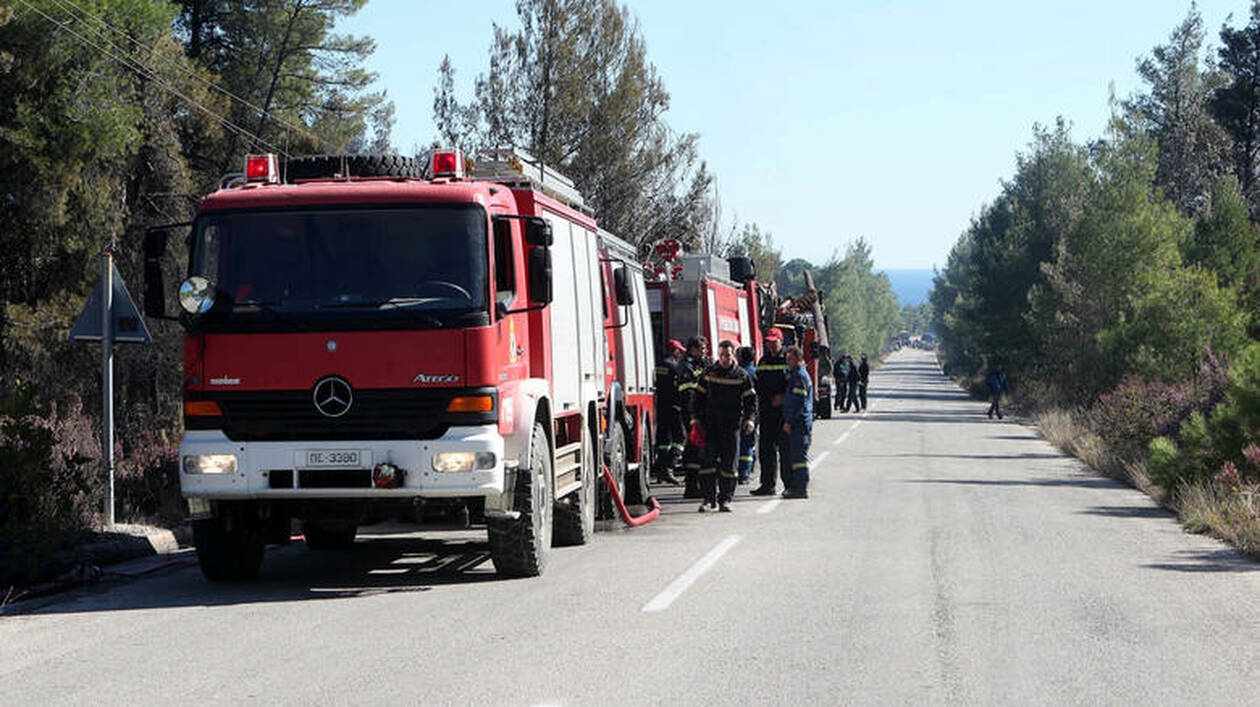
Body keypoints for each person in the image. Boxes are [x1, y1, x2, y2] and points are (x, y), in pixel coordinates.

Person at [693, 340, 757, 512]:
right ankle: (708, 499)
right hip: (710, 425)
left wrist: (750, 419)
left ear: (733, 355)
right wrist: (695, 418)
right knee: (707, 463)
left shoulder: (742, 376)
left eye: (727, 355)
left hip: (731, 426)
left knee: (729, 465)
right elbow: (697, 398)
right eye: (721, 355)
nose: (724, 359)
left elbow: (751, 401)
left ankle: (725, 499)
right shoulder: (709, 373)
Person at [751, 328, 790, 496]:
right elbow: (758, 384)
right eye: (768, 342)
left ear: (781, 342)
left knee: (785, 450)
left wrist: (783, 397)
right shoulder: (763, 361)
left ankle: (789, 485)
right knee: (766, 450)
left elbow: (796, 384)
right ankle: (767, 485)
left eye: (774, 342)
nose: (771, 345)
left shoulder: (788, 359)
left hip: (783, 413)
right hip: (766, 412)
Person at [651, 340, 687, 485]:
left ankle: (661, 471)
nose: (681, 354)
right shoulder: (674, 366)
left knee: (663, 439)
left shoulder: (658, 364)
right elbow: (679, 387)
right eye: (680, 351)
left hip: (660, 406)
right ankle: (669, 467)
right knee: (680, 438)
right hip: (674, 407)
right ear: (675, 351)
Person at [678, 337, 710, 498]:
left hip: (703, 412)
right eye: (701, 349)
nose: (704, 351)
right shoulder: (687, 366)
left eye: (705, 348)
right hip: (692, 413)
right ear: (692, 349)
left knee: (700, 448)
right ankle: (691, 487)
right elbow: (688, 393)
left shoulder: (703, 363)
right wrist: (693, 415)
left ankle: (699, 484)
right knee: (693, 449)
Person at [781, 346, 813, 499]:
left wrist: (789, 421)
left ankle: (800, 488)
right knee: (796, 456)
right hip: (798, 422)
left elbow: (798, 402)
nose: (788, 362)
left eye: (790, 359)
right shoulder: (795, 375)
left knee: (799, 457)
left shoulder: (799, 376)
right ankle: (797, 486)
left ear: (799, 359)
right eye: (787, 359)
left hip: (799, 422)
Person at [736, 346, 758, 484]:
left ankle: (739, 472)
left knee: (739, 442)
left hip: (738, 411)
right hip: (751, 413)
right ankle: (745, 474)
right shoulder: (755, 373)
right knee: (748, 443)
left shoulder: (738, 372)